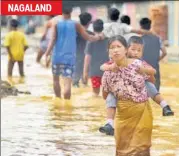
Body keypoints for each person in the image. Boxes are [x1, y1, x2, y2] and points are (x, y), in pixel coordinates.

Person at [99, 36, 174, 136]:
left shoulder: (139, 63)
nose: (135, 53)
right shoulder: (112, 66)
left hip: (138, 97)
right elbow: (103, 67)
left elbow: (153, 72)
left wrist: (144, 71)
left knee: (149, 85)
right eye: (133, 49)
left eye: (139, 50)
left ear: (125, 50)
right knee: (110, 96)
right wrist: (110, 68)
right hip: (122, 97)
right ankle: (109, 123)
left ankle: (165, 105)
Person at [102, 35, 153, 156]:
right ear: (109, 52)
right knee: (122, 150)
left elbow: (151, 82)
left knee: (142, 150)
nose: (115, 50)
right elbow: (105, 96)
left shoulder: (137, 65)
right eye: (112, 47)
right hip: (123, 116)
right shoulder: (107, 73)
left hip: (142, 113)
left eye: (118, 46)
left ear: (126, 49)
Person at [45, 6, 103, 100]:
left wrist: (47, 53)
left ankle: (58, 100)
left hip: (56, 57)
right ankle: (67, 105)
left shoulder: (56, 23)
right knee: (67, 83)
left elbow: (53, 40)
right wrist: (99, 37)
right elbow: (88, 37)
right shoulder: (75, 24)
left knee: (56, 81)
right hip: (69, 58)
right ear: (71, 11)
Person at [139, 17, 167, 91]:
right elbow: (164, 52)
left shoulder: (140, 40)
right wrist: (157, 59)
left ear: (141, 27)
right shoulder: (158, 38)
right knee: (156, 93)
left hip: (143, 68)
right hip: (155, 67)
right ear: (150, 26)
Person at [83, 19, 109, 96]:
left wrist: (85, 73)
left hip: (95, 72)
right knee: (106, 95)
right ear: (102, 28)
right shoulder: (108, 40)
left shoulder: (91, 41)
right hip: (106, 72)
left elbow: (87, 58)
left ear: (93, 29)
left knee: (95, 94)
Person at [73, 12, 94, 88]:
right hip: (87, 62)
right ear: (89, 22)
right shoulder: (91, 34)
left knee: (75, 83)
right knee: (85, 83)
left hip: (75, 60)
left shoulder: (74, 33)